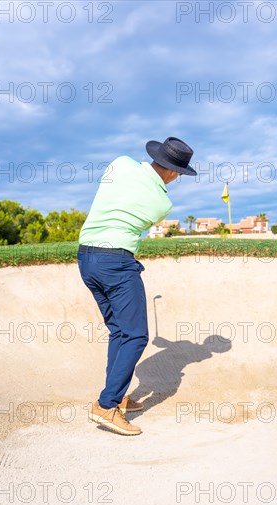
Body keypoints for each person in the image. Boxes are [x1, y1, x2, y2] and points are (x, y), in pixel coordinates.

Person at [77, 137, 197, 436]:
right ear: (172, 172)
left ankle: (114, 394)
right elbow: (141, 215)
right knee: (135, 335)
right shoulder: (162, 203)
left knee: (119, 331)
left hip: (86, 257)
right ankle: (107, 406)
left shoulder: (120, 163)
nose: (178, 178)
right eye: (179, 174)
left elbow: (122, 183)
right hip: (116, 262)